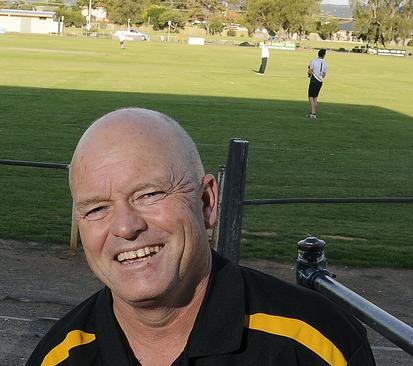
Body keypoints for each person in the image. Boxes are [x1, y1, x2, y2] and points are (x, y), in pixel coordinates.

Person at [27, 108, 375, 366]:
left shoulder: (318, 346)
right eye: (97, 209)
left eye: (149, 194)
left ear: (207, 201)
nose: (125, 227)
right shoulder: (57, 358)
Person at [306, 49, 328, 119]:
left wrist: (310, 74)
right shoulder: (325, 63)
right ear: (324, 55)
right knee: (315, 97)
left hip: (314, 80)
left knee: (311, 97)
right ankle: (313, 112)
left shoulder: (314, 61)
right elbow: (324, 75)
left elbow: (310, 71)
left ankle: (313, 113)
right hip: (320, 82)